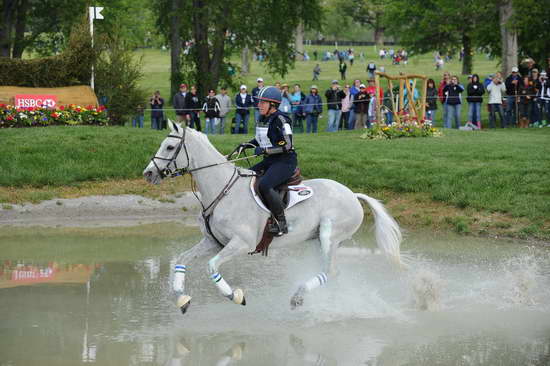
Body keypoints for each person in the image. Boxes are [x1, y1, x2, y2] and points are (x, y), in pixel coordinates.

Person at [235, 86, 297, 236]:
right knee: (245, 177)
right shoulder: (263, 118)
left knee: (265, 184)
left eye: (263, 103)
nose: (259, 105)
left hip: (285, 162)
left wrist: (265, 151)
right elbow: (260, 139)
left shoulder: (282, 120)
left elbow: (287, 146)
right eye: (259, 102)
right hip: (270, 161)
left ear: (273, 105)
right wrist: (248, 144)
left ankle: (281, 223)